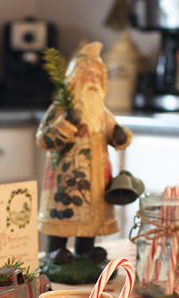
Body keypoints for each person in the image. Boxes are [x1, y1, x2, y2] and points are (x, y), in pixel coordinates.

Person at [36, 42, 132, 268]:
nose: (94, 81)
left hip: (96, 180)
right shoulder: (60, 109)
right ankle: (55, 249)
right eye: (89, 75)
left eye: (98, 76)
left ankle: (85, 251)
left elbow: (119, 134)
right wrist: (68, 122)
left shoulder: (101, 112)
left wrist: (120, 135)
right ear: (76, 78)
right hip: (66, 178)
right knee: (64, 211)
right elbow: (43, 139)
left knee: (91, 215)